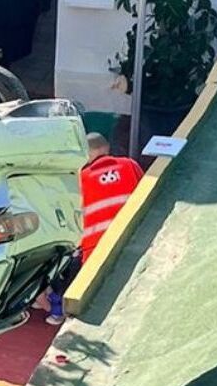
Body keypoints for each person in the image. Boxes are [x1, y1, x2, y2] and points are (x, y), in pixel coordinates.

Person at [47, 132, 145, 323]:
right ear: (107, 148)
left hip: (94, 251)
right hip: (132, 242)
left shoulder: (80, 179)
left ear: (86, 154)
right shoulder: (130, 166)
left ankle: (61, 314)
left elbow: (71, 218)